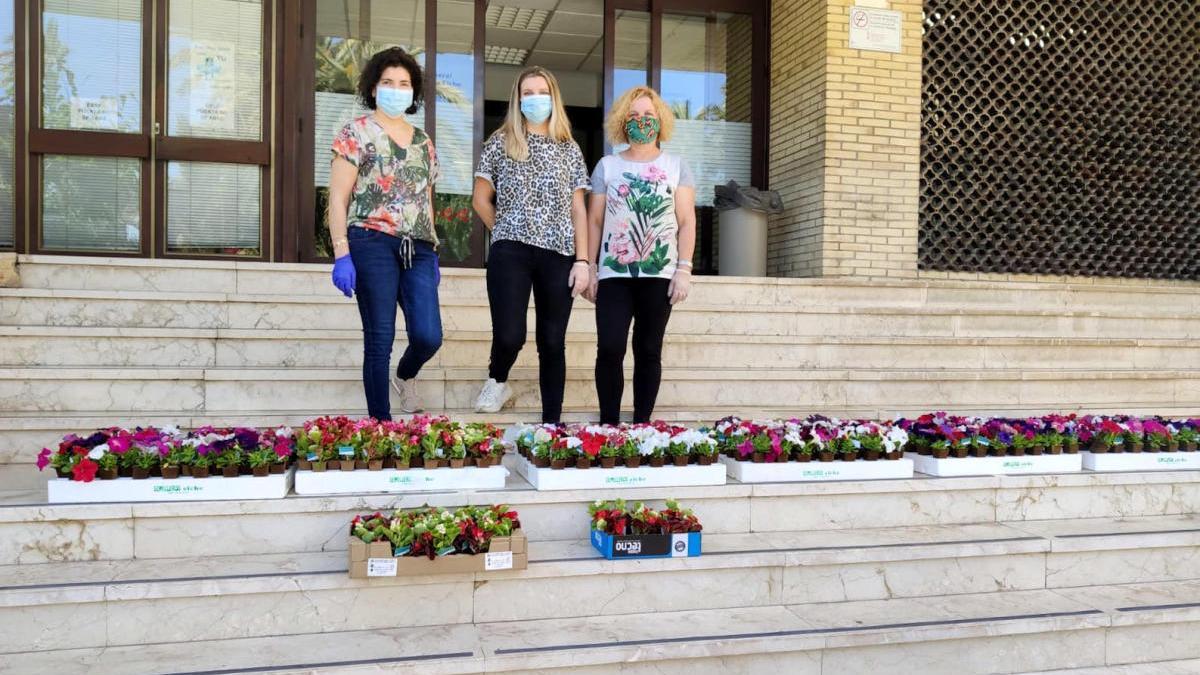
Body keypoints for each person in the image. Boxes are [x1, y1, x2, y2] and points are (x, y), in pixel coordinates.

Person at [327, 47, 442, 420]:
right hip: (371, 241)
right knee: (380, 338)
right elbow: (338, 199)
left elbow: (426, 199)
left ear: (414, 91)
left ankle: (405, 375)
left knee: (428, 335)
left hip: (419, 248)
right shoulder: (355, 134)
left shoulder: (424, 142)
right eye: (388, 82)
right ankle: (381, 426)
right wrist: (342, 254)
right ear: (374, 88)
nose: (397, 89)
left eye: (404, 83)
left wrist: (434, 249)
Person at [471, 66, 591, 421]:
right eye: (527, 92)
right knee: (510, 334)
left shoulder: (569, 148)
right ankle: (498, 378)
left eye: (541, 92)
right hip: (512, 252)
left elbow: (578, 209)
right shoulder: (499, 141)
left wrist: (582, 261)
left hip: (559, 253)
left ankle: (552, 424)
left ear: (553, 98)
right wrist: (506, 230)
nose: (534, 98)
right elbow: (480, 199)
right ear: (517, 98)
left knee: (552, 342)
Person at [584, 86, 696, 425]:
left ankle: (642, 425)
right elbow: (594, 220)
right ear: (622, 122)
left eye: (648, 116)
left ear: (660, 121)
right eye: (633, 116)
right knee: (611, 348)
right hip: (614, 275)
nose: (641, 122)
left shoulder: (677, 166)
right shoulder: (607, 166)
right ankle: (608, 425)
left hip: (659, 274)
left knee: (648, 351)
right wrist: (589, 267)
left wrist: (684, 269)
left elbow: (687, 220)